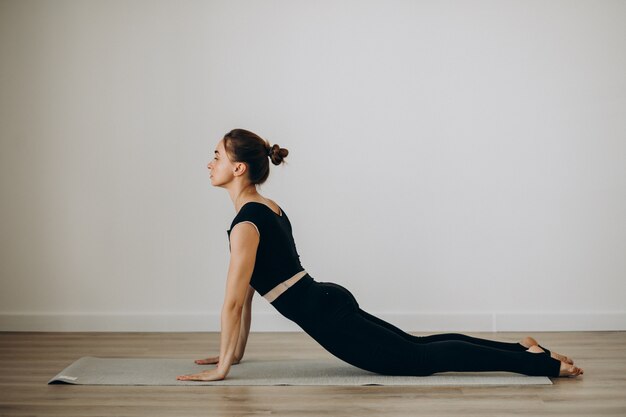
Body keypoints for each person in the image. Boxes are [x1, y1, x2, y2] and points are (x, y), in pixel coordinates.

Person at [176, 129, 584, 381]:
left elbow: (231, 304)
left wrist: (222, 369)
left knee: (421, 359)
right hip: (327, 299)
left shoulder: (246, 224)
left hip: (326, 314)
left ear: (240, 167)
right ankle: (522, 350)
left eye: (217, 155)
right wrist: (233, 354)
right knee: (417, 346)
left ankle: (540, 365)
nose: (209, 163)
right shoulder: (267, 208)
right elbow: (245, 298)